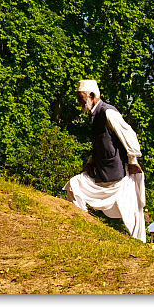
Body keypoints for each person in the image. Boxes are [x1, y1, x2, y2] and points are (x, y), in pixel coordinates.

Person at [63, 79, 146, 242]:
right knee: (74, 185)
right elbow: (100, 145)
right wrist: (89, 162)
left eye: (81, 98)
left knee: (134, 214)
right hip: (100, 173)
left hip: (118, 176)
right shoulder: (93, 116)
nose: (79, 102)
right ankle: (83, 226)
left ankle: (141, 244)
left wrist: (133, 160)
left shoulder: (108, 112)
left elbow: (128, 135)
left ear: (92, 95)